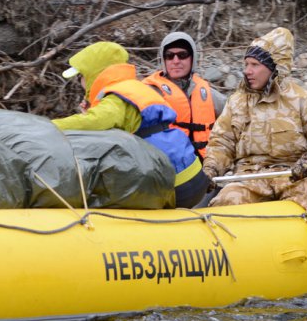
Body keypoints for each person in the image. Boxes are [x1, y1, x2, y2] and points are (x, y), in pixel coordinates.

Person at [201, 26, 307, 275]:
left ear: (273, 67)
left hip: (294, 174)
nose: (247, 71)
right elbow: (222, 143)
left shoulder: (301, 100)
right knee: (227, 199)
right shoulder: (237, 102)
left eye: (254, 65)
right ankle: (224, 260)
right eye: (246, 64)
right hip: (250, 176)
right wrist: (212, 167)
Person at [51, 40, 210, 208]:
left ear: (93, 74)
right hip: (193, 175)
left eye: (82, 76)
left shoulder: (116, 99)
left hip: (176, 184)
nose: (81, 81)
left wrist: (48, 127)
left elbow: (94, 121)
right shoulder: (132, 87)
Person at [144, 30, 226, 161]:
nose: (175, 61)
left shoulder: (206, 92)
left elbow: (236, 116)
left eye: (182, 55)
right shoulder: (149, 91)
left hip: (204, 165)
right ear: (163, 59)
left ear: (192, 59)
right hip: (166, 166)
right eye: (169, 56)